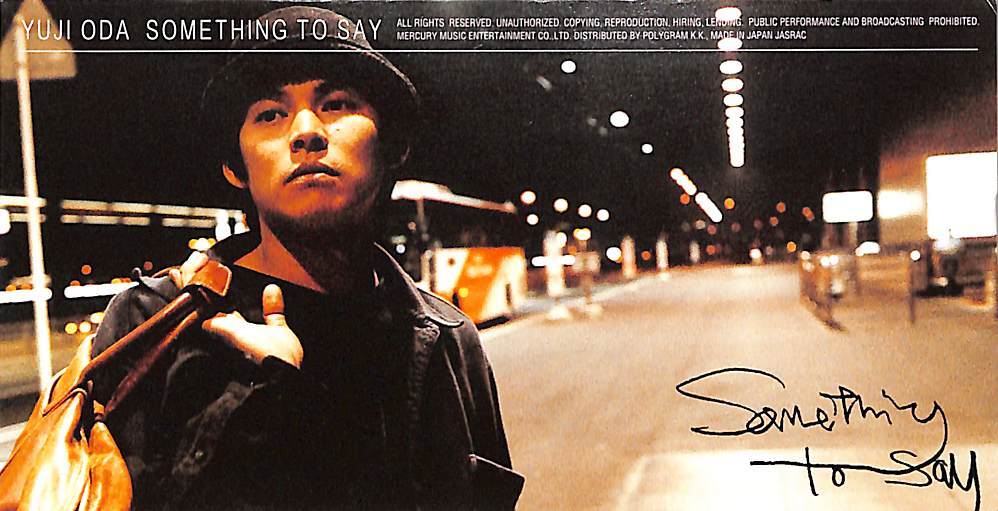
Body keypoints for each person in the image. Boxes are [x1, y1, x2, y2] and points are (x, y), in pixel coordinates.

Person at [90, 6, 522, 510]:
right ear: (236, 167)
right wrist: (263, 400)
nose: (306, 131)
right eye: (270, 114)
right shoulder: (155, 327)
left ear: (389, 146)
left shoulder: (450, 342)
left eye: (336, 104)